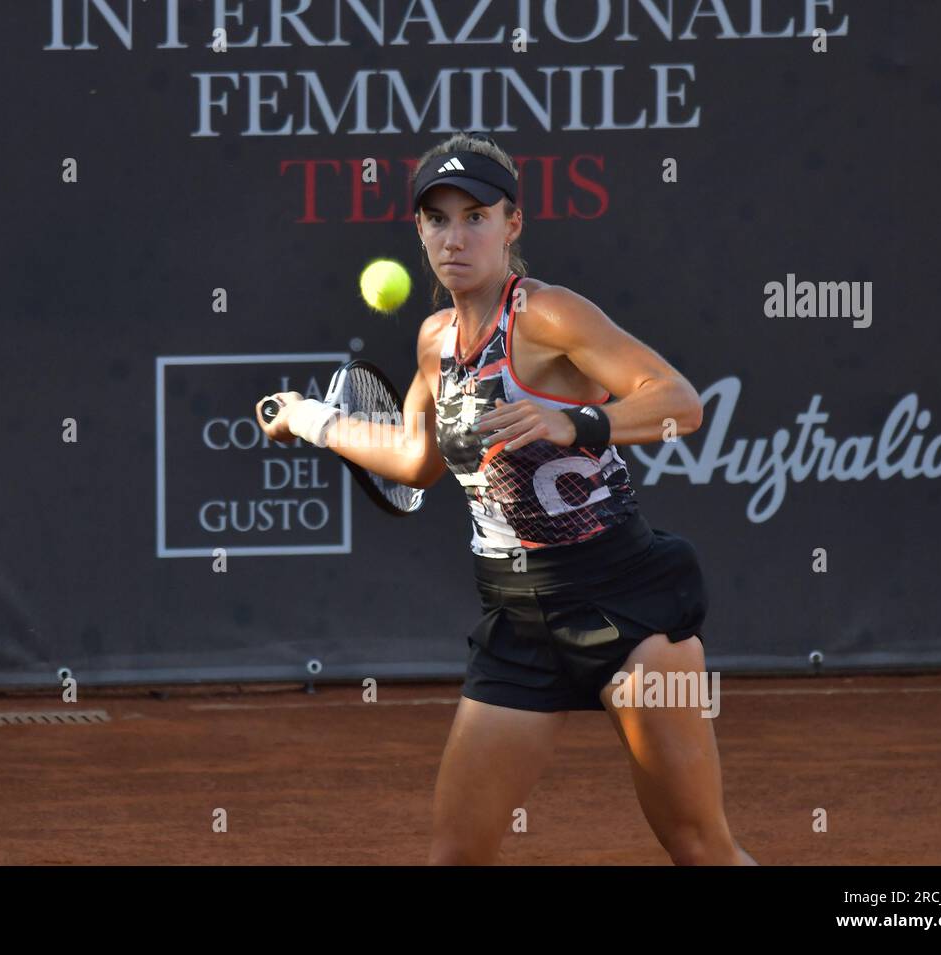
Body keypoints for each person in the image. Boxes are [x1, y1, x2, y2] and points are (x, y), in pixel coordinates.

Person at [256, 132, 757, 866]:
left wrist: (579, 420)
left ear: (512, 224)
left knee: (698, 845)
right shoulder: (435, 341)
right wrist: (310, 419)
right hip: (519, 622)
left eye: (475, 216)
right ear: (419, 230)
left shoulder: (549, 315)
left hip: (628, 604)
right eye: (437, 219)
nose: (454, 236)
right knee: (455, 855)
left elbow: (681, 403)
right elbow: (416, 460)